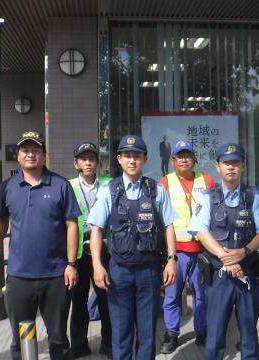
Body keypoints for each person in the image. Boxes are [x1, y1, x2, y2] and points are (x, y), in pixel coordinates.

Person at [0, 130, 80, 360]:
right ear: (18, 155)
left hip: (55, 276)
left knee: (58, 339)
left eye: (36, 150)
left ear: (44, 155)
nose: (31, 155)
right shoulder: (8, 187)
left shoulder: (60, 185)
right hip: (19, 276)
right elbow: (0, 221)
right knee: (21, 339)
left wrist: (71, 264)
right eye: (25, 150)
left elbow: (72, 225)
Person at [87, 134, 178, 360]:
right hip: (119, 270)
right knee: (121, 330)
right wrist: (97, 266)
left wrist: (172, 261)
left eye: (137, 156)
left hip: (149, 269)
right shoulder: (109, 190)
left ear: (145, 159)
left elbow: (168, 227)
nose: (132, 160)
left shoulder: (156, 190)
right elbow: (96, 230)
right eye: (127, 156)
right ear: (119, 159)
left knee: (147, 331)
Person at [188, 143, 259, 360]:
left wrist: (244, 252)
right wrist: (227, 258)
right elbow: (201, 231)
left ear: (242, 166)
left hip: (248, 273)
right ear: (218, 167)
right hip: (219, 275)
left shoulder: (255, 197)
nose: (231, 167)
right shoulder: (207, 197)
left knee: (248, 331)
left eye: (235, 162)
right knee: (215, 331)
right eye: (226, 163)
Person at [159, 140, 215, 354]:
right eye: (179, 156)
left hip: (203, 250)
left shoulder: (207, 180)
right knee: (172, 295)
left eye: (187, 155)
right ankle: (172, 334)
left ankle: (202, 331)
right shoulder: (165, 182)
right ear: (172, 160)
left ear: (194, 159)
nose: (184, 159)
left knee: (202, 295)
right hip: (177, 252)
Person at [68, 142, 112, 358]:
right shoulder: (67, 186)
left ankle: (109, 344)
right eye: (83, 159)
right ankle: (78, 345)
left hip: (103, 250)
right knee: (78, 301)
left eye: (92, 159)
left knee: (106, 299)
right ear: (76, 163)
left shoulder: (109, 184)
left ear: (98, 163)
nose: (88, 163)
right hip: (76, 251)